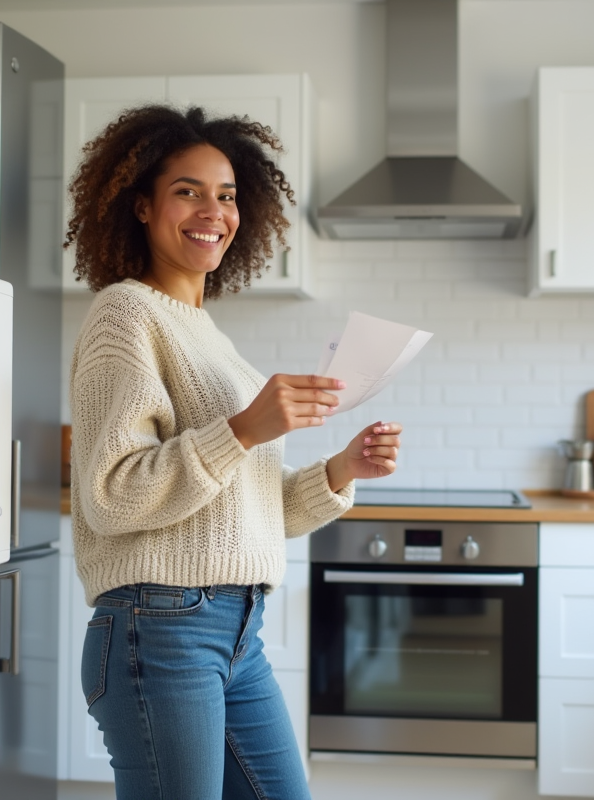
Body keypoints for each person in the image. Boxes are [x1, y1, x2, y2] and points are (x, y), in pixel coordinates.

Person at [63, 104, 403, 800]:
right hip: (160, 630)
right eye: (188, 190)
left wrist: (342, 469)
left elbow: (243, 510)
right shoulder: (126, 314)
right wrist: (244, 429)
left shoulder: (211, 339)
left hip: (235, 631)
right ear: (140, 205)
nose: (212, 209)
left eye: (226, 194)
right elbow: (112, 495)